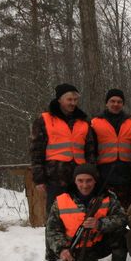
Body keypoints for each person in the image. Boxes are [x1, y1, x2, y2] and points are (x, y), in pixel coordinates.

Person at [30, 82, 95, 239]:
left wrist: (93, 173)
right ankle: (54, 252)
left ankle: (78, 249)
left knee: (79, 215)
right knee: (55, 216)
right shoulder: (44, 119)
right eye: (69, 99)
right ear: (59, 99)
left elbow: (91, 150)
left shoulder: (83, 121)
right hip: (55, 177)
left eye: (75, 100)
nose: (73, 103)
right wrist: (39, 178)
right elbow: (36, 150)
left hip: (80, 179)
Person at [46, 163, 128, 261]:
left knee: (123, 234)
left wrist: (99, 223)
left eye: (89, 180)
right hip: (74, 247)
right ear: (75, 181)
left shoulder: (107, 197)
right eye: (80, 181)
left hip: (98, 244)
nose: (85, 185)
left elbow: (122, 218)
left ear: (95, 181)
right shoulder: (61, 200)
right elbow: (52, 229)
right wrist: (62, 249)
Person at [91, 88, 131, 208]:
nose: (115, 104)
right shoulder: (95, 123)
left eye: (119, 102)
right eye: (112, 101)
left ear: (123, 104)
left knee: (125, 211)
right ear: (106, 103)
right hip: (104, 175)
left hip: (126, 175)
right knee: (105, 210)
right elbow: (90, 150)